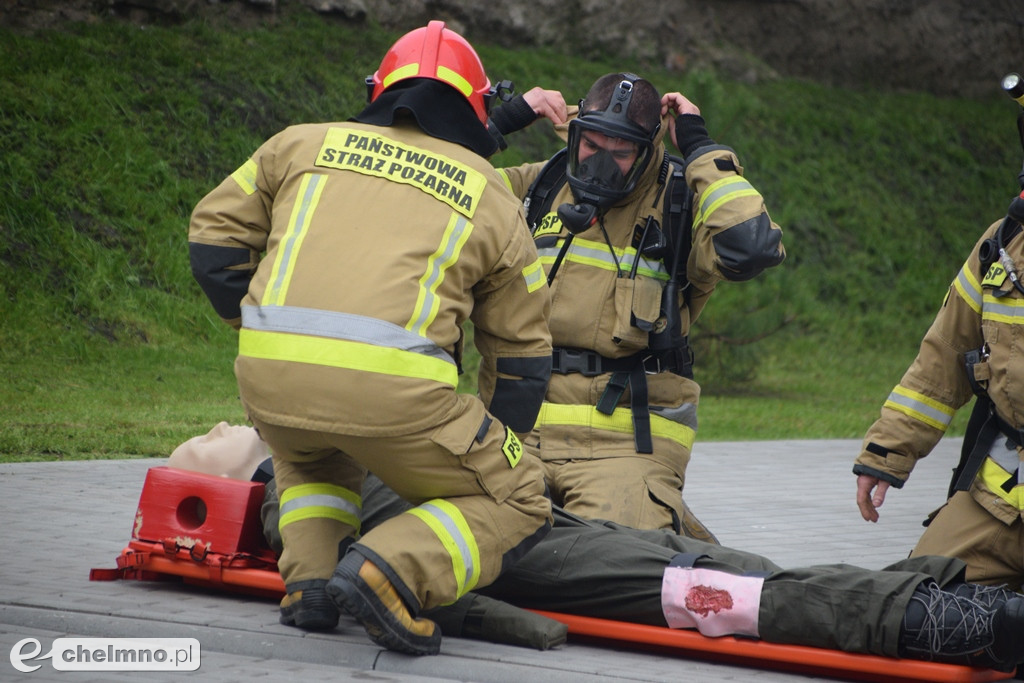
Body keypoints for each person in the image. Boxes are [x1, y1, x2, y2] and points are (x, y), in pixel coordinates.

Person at [187, 21, 556, 656]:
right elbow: (521, 354)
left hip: (272, 382)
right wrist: (497, 445)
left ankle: (311, 586)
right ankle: (391, 570)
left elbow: (212, 239)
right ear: (477, 105)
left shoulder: (299, 143)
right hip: (397, 401)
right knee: (521, 494)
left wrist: (261, 329)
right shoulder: (489, 192)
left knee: (312, 458)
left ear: (378, 89)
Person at [492, 73, 786, 537]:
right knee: (466, 538)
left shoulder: (681, 203)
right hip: (518, 432)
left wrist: (701, 150)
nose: (600, 162)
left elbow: (750, 246)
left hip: (628, 443)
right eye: (591, 145)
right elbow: (433, 198)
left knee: (608, 560)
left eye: (621, 151)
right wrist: (501, 121)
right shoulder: (541, 185)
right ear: (575, 133)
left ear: (649, 149)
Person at [853, 206, 1024, 593]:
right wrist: (885, 452)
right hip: (998, 503)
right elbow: (943, 357)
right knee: (909, 603)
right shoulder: (1003, 242)